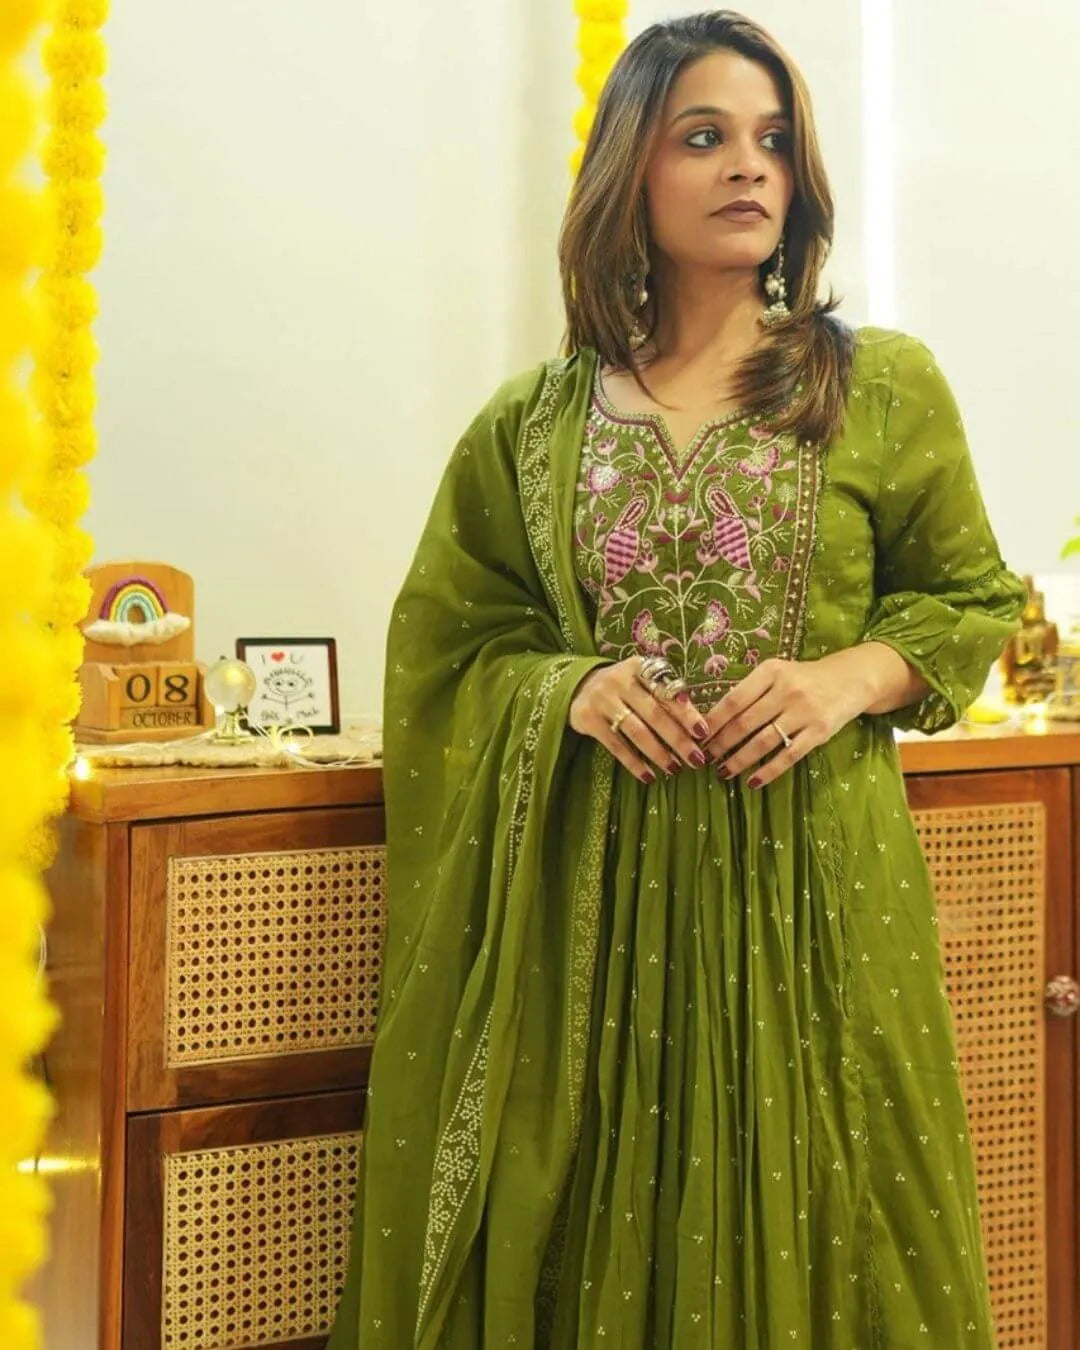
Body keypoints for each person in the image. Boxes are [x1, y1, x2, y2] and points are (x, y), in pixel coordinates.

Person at [328, 10, 1025, 1347]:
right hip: (596, 912)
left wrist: (850, 678)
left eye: (771, 140)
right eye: (702, 137)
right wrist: (567, 690)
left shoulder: (878, 388)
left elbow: (969, 594)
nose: (747, 166)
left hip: (814, 888)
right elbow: (450, 644)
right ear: (629, 179)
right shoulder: (534, 422)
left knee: (839, 1200)